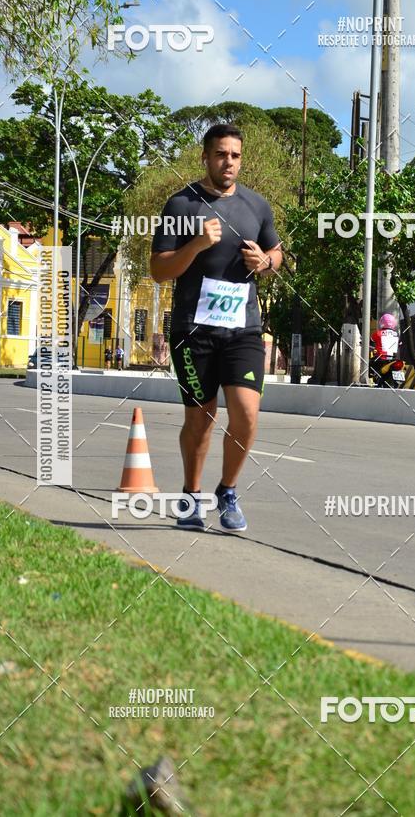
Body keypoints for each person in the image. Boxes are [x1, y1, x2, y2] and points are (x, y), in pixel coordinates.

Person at [150, 123, 282, 532]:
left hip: (243, 329)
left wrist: (266, 262)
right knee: (201, 419)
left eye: (236, 155)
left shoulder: (257, 206)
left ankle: (227, 490)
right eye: (221, 154)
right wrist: (196, 245)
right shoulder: (180, 206)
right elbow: (158, 271)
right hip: (194, 332)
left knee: (245, 415)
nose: (229, 162)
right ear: (205, 157)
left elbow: (277, 253)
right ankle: (191, 495)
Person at [370, 313, 399, 385]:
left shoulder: (377, 334)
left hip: (380, 359)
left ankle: (374, 380)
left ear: (382, 322)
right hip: (393, 359)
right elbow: (400, 344)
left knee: (370, 365)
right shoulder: (396, 334)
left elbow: (371, 342)